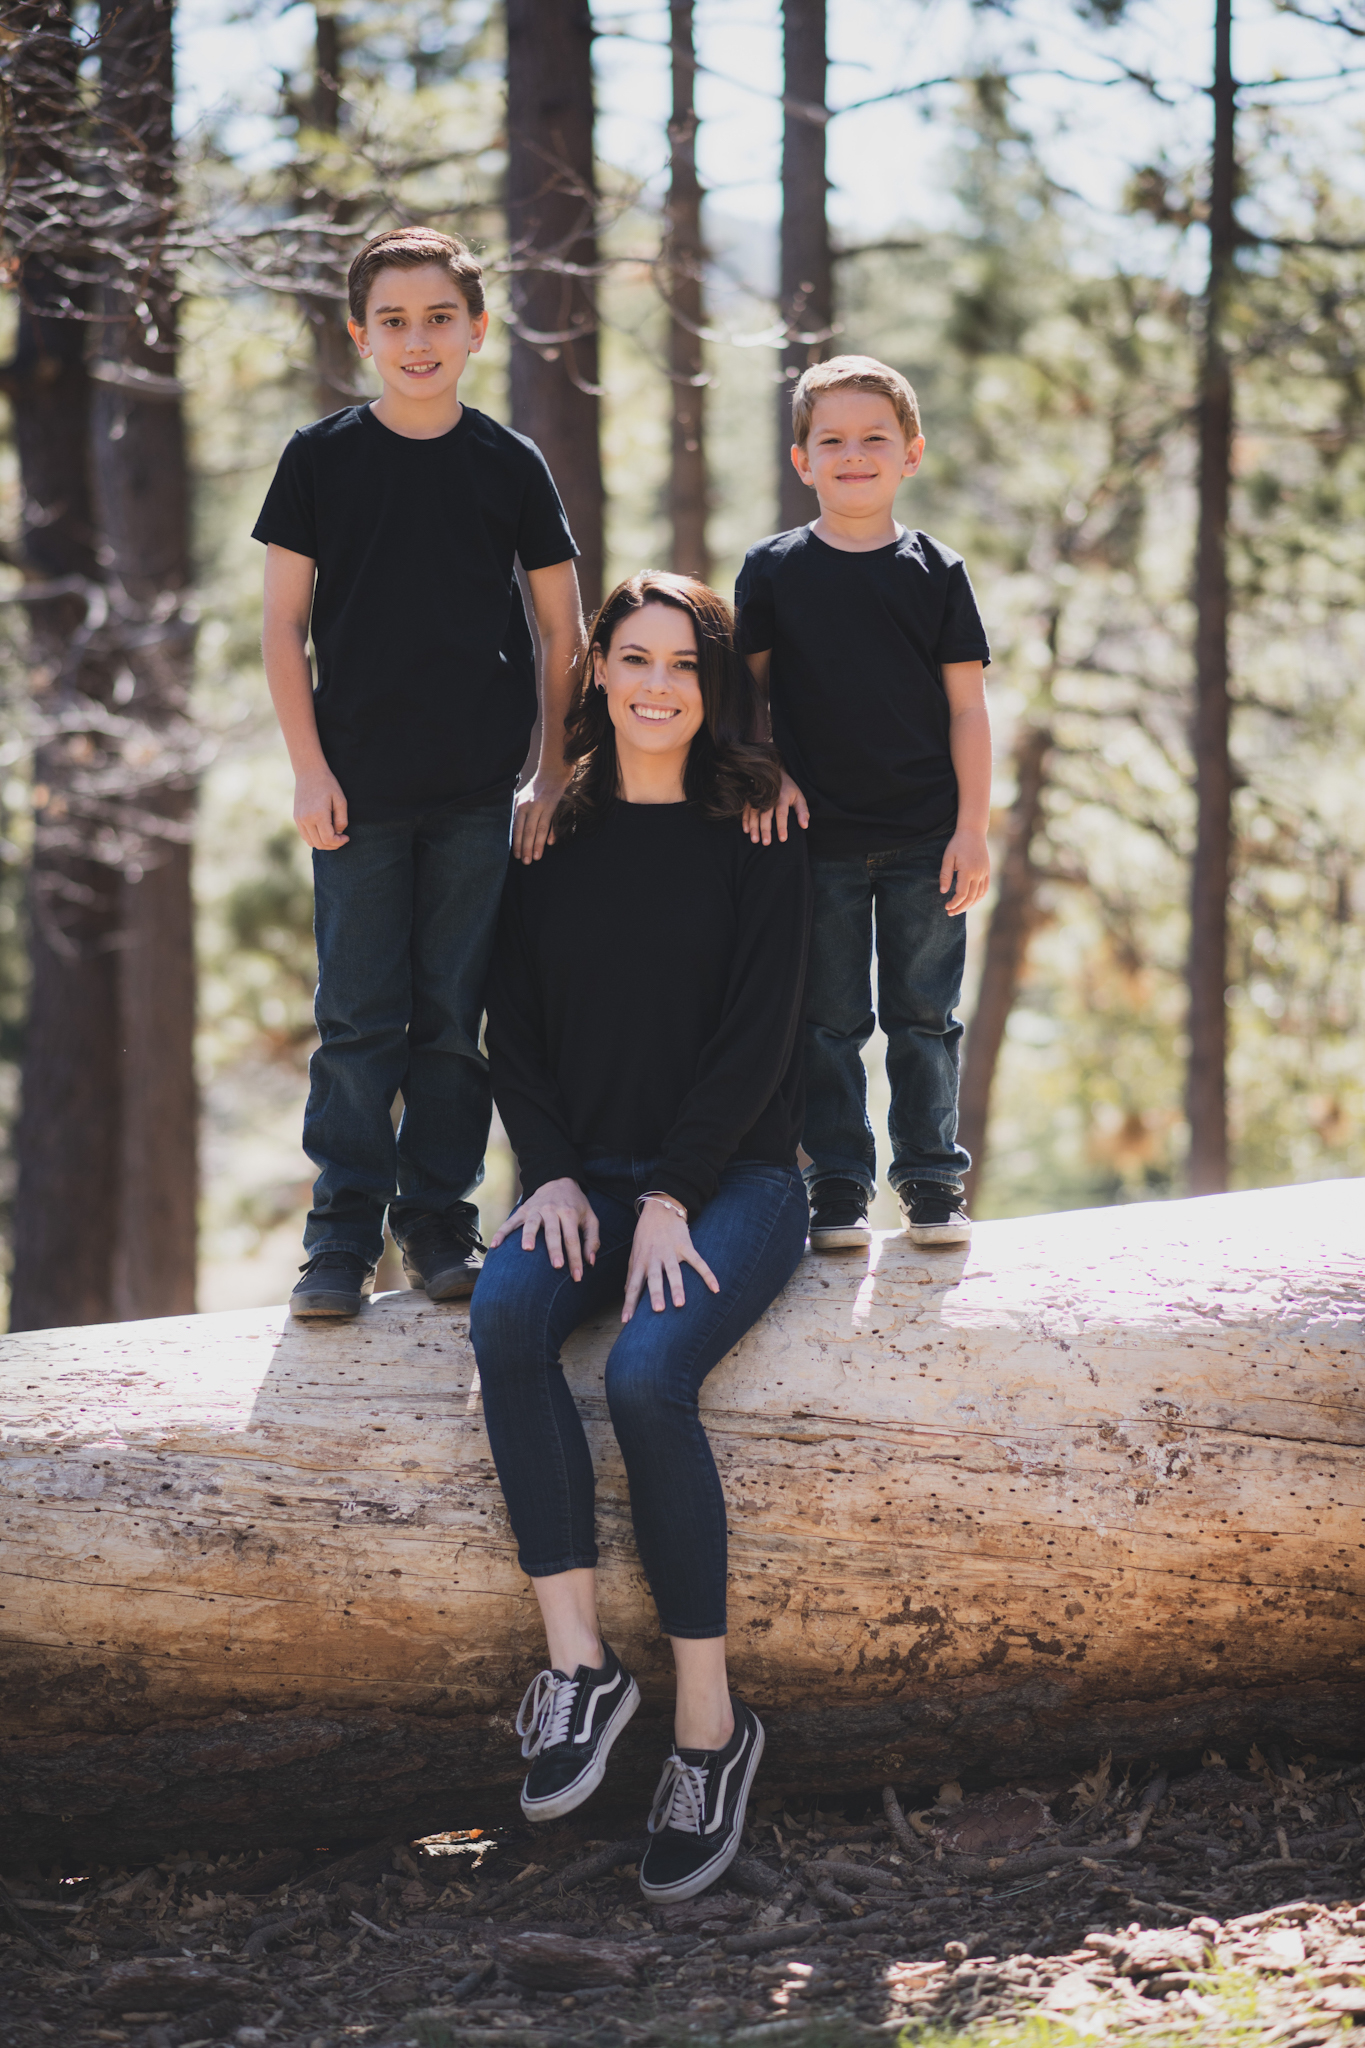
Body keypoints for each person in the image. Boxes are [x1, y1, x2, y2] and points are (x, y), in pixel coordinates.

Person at [469, 572, 811, 1904]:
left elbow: (757, 1038)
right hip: (585, 1182)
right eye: (632, 659)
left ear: (710, 681)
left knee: (644, 1376)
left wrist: (670, 1193)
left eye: (681, 663)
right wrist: (548, 1176)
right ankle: (576, 1670)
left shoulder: (763, 829)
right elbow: (519, 1029)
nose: (656, 684)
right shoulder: (549, 835)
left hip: (732, 1182)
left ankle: (709, 1733)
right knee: (505, 1324)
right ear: (598, 673)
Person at [252, 227, 585, 1319]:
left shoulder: (508, 464)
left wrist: (545, 775)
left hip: (478, 796)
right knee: (358, 1019)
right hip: (356, 795)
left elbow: (561, 631)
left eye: (439, 316)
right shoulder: (319, 459)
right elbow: (283, 626)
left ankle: (440, 1222)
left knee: (451, 1017)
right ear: (360, 335)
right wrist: (308, 769)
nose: (417, 338)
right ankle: (340, 1242)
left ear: (477, 329)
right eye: (392, 320)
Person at [734, 355, 992, 1253]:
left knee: (923, 1018)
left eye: (873, 438)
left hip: (925, 837)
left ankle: (929, 1184)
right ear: (800, 459)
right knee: (828, 1020)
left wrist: (971, 828)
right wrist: (771, 772)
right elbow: (750, 701)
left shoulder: (937, 571)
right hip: (816, 840)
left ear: (910, 454)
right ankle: (836, 1186)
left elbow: (967, 707)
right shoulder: (770, 571)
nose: (853, 455)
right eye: (830, 440)